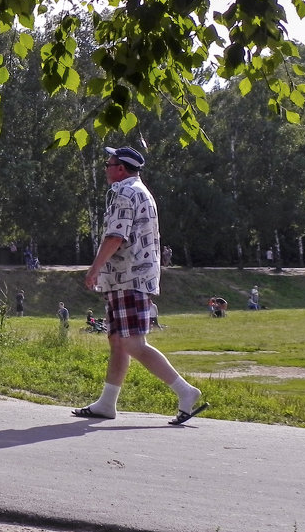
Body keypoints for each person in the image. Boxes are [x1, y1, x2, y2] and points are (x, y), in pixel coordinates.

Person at [72, 146, 207, 426]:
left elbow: (115, 237)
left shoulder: (124, 192)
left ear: (120, 168)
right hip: (133, 276)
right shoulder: (140, 191)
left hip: (128, 278)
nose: (106, 168)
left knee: (133, 343)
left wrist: (94, 269)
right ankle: (107, 403)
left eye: (108, 164)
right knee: (118, 342)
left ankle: (186, 392)